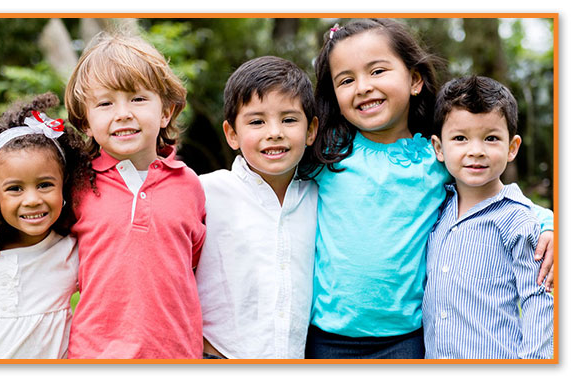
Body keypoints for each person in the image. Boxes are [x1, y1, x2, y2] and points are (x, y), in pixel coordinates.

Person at [300, 18, 554, 359]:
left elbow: (495, 196)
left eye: (377, 71)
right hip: (326, 336)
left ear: (415, 80)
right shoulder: (326, 153)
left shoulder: (436, 158)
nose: (362, 86)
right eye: (346, 80)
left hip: (407, 338)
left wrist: (547, 222)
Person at [64, 32, 206, 359]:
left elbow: (194, 265)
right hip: (95, 357)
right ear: (86, 121)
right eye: (105, 103)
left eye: (138, 99)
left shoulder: (190, 186)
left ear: (166, 112)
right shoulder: (76, 186)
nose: (123, 113)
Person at [0, 93, 91, 358]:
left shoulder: (69, 248)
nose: (32, 200)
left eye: (45, 185)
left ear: (65, 185)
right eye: (15, 188)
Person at [195, 56, 318, 359]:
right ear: (232, 134)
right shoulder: (204, 192)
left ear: (311, 130)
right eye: (257, 121)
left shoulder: (320, 197)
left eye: (289, 120)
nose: (274, 131)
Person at [423, 75, 553, 359]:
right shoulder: (434, 210)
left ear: (512, 147)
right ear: (439, 148)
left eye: (491, 138)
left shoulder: (519, 221)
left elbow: (540, 301)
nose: (476, 151)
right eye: (460, 138)